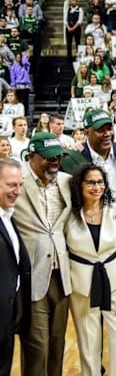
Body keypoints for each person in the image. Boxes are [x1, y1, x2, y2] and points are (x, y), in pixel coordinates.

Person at [65, 163, 116, 376]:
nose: (96, 187)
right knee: (88, 344)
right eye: (90, 182)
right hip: (82, 289)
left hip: (114, 287)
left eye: (100, 182)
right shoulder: (69, 215)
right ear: (79, 185)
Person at [13, 133, 73, 376]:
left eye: (58, 156)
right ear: (31, 157)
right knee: (37, 346)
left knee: (58, 345)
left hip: (63, 275)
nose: (55, 161)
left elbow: (97, 204)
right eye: (48, 158)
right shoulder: (15, 181)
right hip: (31, 274)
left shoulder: (68, 181)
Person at [0, 158, 30, 376]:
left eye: (20, 185)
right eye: (12, 185)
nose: (18, 191)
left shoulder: (9, 217)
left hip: (7, 317)